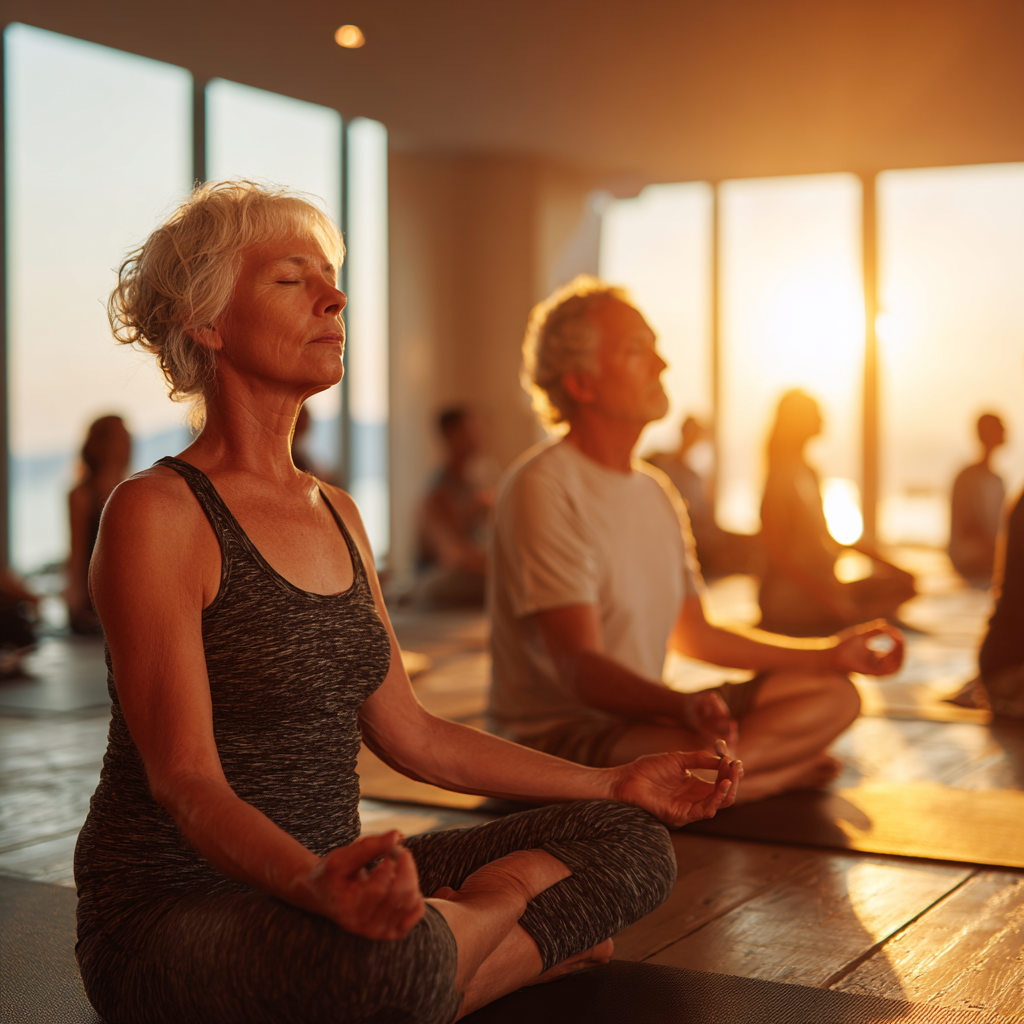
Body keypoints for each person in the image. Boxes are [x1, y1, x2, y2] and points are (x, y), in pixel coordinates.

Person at [74, 181, 743, 1024]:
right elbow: (184, 781)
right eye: (292, 279)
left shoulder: (339, 513)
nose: (336, 296)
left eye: (332, 276)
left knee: (631, 839)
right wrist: (318, 886)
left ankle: (450, 948)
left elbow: (415, 736)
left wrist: (613, 782)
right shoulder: (158, 514)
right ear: (207, 321)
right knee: (398, 960)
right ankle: (488, 940)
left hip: (345, 883)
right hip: (174, 916)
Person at [488, 277, 905, 804]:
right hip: (562, 737)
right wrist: (675, 704)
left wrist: (829, 653)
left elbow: (697, 634)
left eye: (655, 348)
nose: (660, 365)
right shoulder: (541, 487)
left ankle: (711, 784)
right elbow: (580, 669)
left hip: (648, 714)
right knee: (691, 749)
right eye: (636, 350)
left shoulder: (656, 491)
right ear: (581, 384)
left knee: (835, 697)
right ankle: (763, 778)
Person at [758, 390, 916, 636]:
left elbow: (829, 537)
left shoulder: (809, 472)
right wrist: (827, 596)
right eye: (816, 414)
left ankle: (853, 618)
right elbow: (779, 555)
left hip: (823, 583)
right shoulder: (779, 478)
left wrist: (887, 563)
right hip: (790, 595)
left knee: (904, 585)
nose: (823, 420)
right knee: (856, 612)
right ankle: (847, 619)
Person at [647, 415, 763, 577]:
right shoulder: (659, 463)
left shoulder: (694, 476)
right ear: (682, 432)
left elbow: (703, 512)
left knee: (749, 543)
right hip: (681, 534)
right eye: (691, 432)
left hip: (699, 531)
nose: (693, 439)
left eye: (697, 434)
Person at [414, 406, 493, 607]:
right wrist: (503, 567)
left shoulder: (474, 487)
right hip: (436, 580)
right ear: (450, 435)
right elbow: (454, 556)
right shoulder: (437, 494)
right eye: (470, 431)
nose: (478, 437)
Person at [65, 414, 132, 634]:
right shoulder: (81, 495)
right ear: (102, 444)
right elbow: (77, 554)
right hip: (96, 598)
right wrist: (75, 603)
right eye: (120, 436)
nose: (128, 441)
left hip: (132, 591)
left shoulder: (134, 491)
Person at [949, 412, 1007, 586]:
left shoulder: (998, 481)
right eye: (998, 426)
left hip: (991, 556)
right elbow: (969, 527)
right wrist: (1002, 552)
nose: (1004, 430)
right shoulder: (966, 478)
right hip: (970, 558)